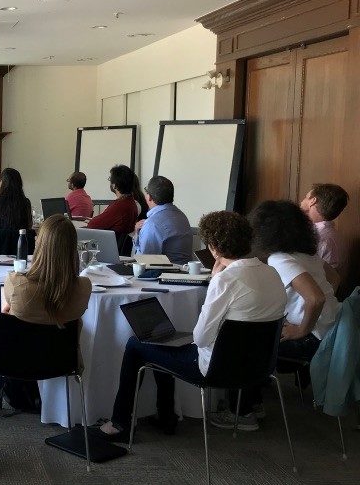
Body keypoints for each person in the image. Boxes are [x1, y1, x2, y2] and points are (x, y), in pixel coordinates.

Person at [99, 211, 287, 441]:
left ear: (215, 247)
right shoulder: (272, 273)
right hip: (259, 368)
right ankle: (166, 415)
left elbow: (200, 338)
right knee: (162, 344)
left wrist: (215, 283)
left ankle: (120, 423)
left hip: (217, 368)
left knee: (137, 344)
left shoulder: (226, 280)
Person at [0, 215, 92, 417]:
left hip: (15, 360)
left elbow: (5, 325)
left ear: (41, 245)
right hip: (61, 359)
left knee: (4, 331)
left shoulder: (17, 282)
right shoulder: (84, 287)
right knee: (7, 329)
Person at [251, 199, 341, 392]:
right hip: (332, 332)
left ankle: (246, 409)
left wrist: (301, 329)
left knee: (246, 345)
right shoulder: (308, 255)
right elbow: (335, 278)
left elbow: (316, 298)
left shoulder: (280, 258)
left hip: (313, 339)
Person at [133, 175, 194, 263]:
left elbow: (144, 261)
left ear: (149, 197)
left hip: (163, 274)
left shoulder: (152, 224)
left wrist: (137, 235)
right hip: (185, 272)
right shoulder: (181, 216)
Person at [300, 183, 349, 269]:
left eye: (306, 197)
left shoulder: (319, 239)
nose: (301, 201)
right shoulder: (332, 235)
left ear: (312, 201)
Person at [86, 164, 140, 236]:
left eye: (110, 179)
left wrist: (92, 220)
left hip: (110, 244)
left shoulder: (120, 206)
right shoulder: (130, 201)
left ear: (114, 185)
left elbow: (92, 225)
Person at [0, 167, 33, 233]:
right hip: (20, 242)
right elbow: (29, 226)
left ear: (2, 183)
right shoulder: (26, 203)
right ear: (19, 184)